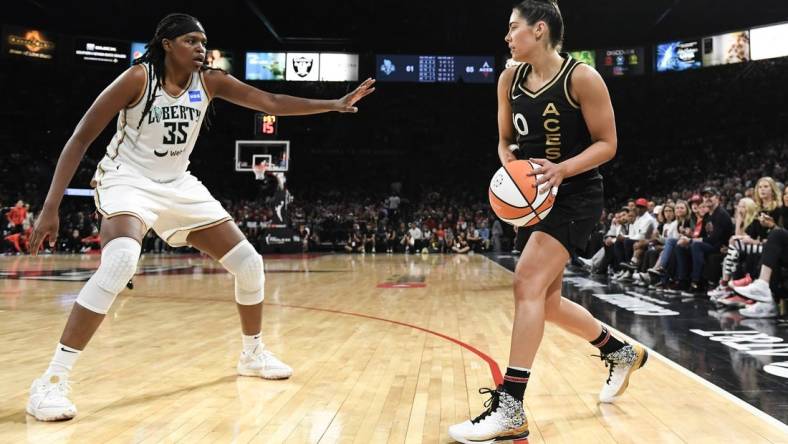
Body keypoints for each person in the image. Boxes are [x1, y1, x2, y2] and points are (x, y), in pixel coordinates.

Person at [25, 13, 375, 422]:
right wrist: (51, 208)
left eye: (203, 41)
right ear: (167, 44)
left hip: (178, 183)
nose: (200, 48)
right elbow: (81, 137)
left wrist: (333, 104)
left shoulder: (210, 81)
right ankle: (50, 381)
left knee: (249, 263)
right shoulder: (138, 79)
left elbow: (272, 103)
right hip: (128, 180)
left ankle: (252, 353)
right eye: (191, 40)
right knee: (120, 261)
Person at [448, 2, 647, 442]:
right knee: (547, 302)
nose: (507, 36)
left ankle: (511, 407)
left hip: (577, 194)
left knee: (526, 284)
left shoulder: (581, 77)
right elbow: (504, 142)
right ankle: (620, 351)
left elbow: (608, 144)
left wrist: (560, 171)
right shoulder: (508, 79)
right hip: (537, 201)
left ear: (539, 30)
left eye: (513, 28)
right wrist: (511, 173)